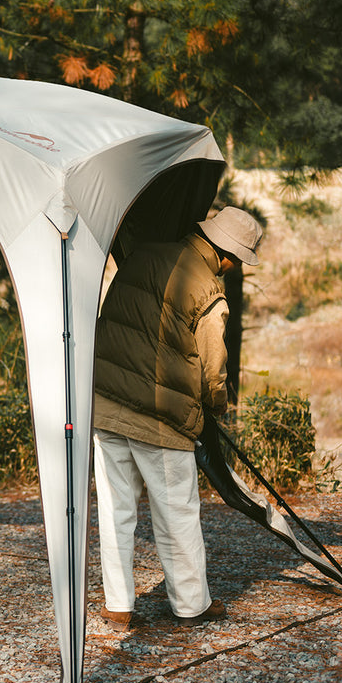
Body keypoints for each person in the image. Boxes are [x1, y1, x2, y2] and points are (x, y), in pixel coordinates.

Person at [91, 205, 264, 628]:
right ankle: (190, 605)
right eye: (237, 260)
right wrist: (216, 406)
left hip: (107, 405)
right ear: (227, 255)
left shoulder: (142, 257)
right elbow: (213, 368)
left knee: (115, 510)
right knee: (177, 513)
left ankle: (118, 605)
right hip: (161, 419)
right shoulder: (209, 291)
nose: (235, 268)